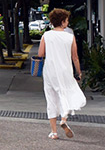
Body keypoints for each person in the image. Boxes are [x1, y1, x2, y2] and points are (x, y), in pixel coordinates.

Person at [37, 8, 86, 140]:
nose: (67, 22)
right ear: (63, 22)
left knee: (51, 99)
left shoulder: (46, 36)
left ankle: (54, 132)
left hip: (50, 71)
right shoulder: (70, 37)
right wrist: (79, 72)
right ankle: (64, 118)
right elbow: (75, 57)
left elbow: (40, 54)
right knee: (69, 94)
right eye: (67, 20)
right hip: (65, 71)